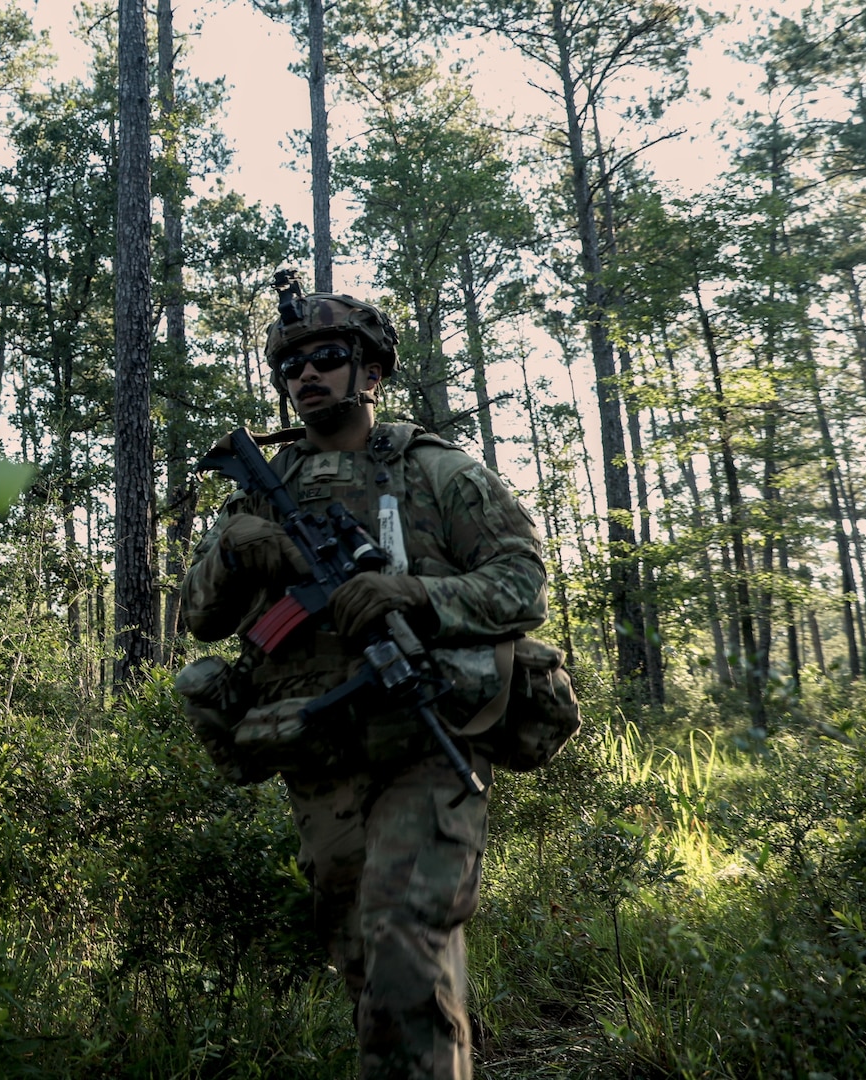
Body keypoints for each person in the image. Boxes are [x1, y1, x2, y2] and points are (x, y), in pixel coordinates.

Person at [175, 276, 548, 1080]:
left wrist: (414, 592)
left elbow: (523, 585)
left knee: (405, 947)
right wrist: (230, 548)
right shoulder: (264, 499)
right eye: (291, 368)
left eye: (328, 359)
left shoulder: (437, 473)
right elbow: (199, 621)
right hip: (322, 756)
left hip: (428, 743)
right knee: (367, 967)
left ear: (370, 375)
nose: (305, 377)